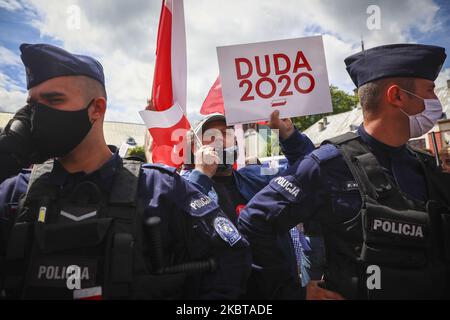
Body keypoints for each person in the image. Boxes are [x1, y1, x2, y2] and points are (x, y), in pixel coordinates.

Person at [0, 43, 251, 300]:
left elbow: (231, 258)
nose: (37, 114)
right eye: (33, 103)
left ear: (97, 108)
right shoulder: (15, 192)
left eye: (54, 100)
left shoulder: (160, 190)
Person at [238, 43, 450, 300]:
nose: (435, 101)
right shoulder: (328, 164)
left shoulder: (424, 165)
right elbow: (255, 220)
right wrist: (290, 292)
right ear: (397, 96)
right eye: (430, 90)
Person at [180, 112, 329, 299]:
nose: (221, 140)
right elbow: (181, 226)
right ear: (195, 147)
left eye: (226, 133)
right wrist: (201, 175)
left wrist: (289, 135)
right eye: (212, 136)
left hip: (273, 290)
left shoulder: (256, 176)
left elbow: (309, 170)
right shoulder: (183, 185)